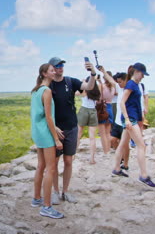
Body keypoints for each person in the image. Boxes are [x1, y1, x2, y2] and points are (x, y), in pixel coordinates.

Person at [48, 57, 97, 204]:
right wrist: (54, 127)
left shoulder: (70, 81)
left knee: (68, 160)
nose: (60, 67)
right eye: (57, 65)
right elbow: (45, 110)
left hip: (71, 126)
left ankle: (66, 191)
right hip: (56, 129)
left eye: (62, 64)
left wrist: (93, 73)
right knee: (55, 162)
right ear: (51, 68)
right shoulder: (49, 85)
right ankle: (55, 191)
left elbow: (88, 87)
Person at [111, 63, 155, 188]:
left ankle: (116, 168)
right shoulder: (131, 84)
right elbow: (122, 102)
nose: (143, 77)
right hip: (130, 119)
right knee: (141, 145)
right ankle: (143, 175)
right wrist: (127, 119)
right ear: (136, 72)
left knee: (122, 144)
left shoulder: (136, 84)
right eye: (142, 74)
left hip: (132, 118)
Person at [30, 63, 64, 219]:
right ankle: (47, 206)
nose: (55, 71)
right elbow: (49, 117)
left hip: (37, 132)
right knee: (50, 169)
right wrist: (56, 139)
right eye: (51, 70)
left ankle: (37, 198)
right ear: (44, 73)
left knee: (41, 166)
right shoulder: (47, 91)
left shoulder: (35, 91)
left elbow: (39, 116)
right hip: (46, 133)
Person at [76, 76, 100, 164]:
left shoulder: (85, 90)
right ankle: (92, 159)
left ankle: (73, 155)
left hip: (84, 110)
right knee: (92, 138)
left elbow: (76, 93)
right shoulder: (96, 91)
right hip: (93, 111)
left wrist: (81, 82)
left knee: (78, 135)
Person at [97, 71, 114, 154]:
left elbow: (99, 98)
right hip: (110, 108)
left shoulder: (101, 86)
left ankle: (105, 151)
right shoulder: (113, 87)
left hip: (102, 109)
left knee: (102, 133)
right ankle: (108, 149)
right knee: (108, 132)